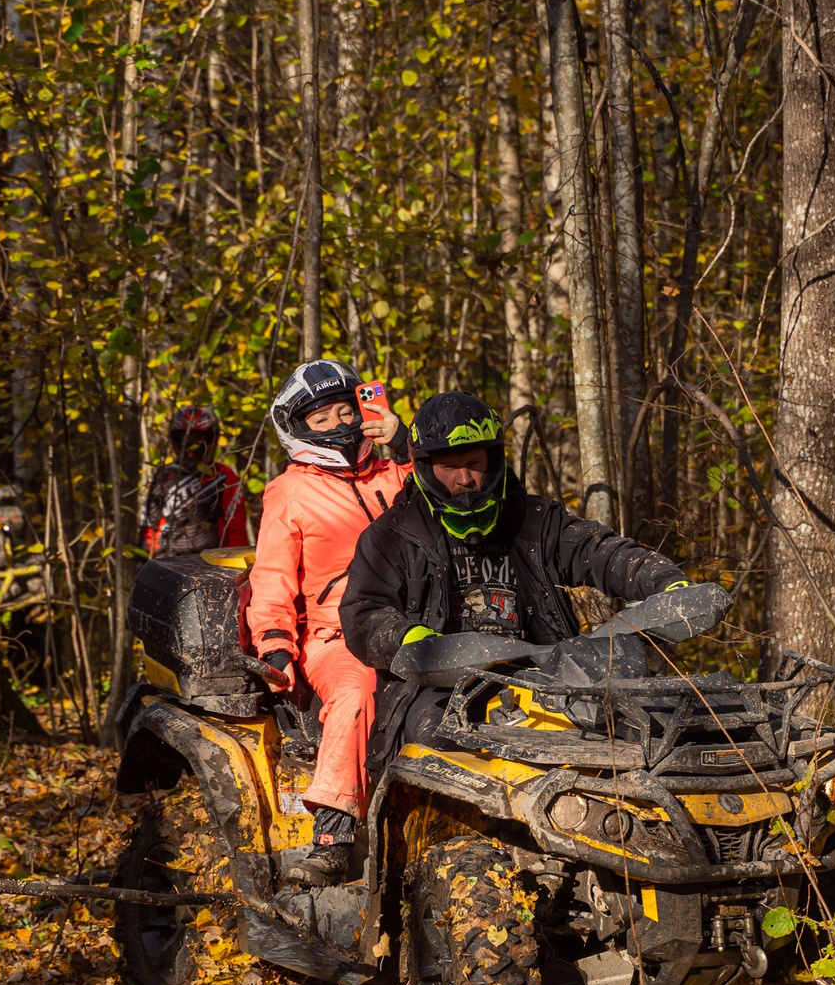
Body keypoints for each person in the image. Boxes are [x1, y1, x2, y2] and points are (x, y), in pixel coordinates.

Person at [340, 391, 686, 773]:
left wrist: (667, 583)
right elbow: (364, 613)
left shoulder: (536, 520)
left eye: (474, 463)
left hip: (550, 677)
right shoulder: (391, 535)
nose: (466, 479)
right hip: (437, 688)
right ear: (424, 467)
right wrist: (412, 640)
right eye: (449, 467)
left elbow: (605, 553)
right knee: (437, 741)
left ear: (494, 460)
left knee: (651, 726)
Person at [244, 361, 410, 886]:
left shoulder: (393, 474)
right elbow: (271, 577)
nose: (339, 423)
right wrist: (275, 648)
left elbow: (451, 489)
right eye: (322, 418)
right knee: (356, 693)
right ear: (297, 427)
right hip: (335, 638)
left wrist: (405, 443)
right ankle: (333, 836)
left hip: (415, 625)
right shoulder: (289, 491)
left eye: (347, 410)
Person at [140, 402, 250, 557]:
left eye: (199, 440)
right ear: (176, 440)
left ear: (211, 439)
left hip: (211, 565)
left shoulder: (224, 476)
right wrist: (146, 564)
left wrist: (235, 571)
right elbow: (149, 526)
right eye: (186, 439)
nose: (193, 447)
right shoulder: (165, 476)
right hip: (169, 564)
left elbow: (236, 530)